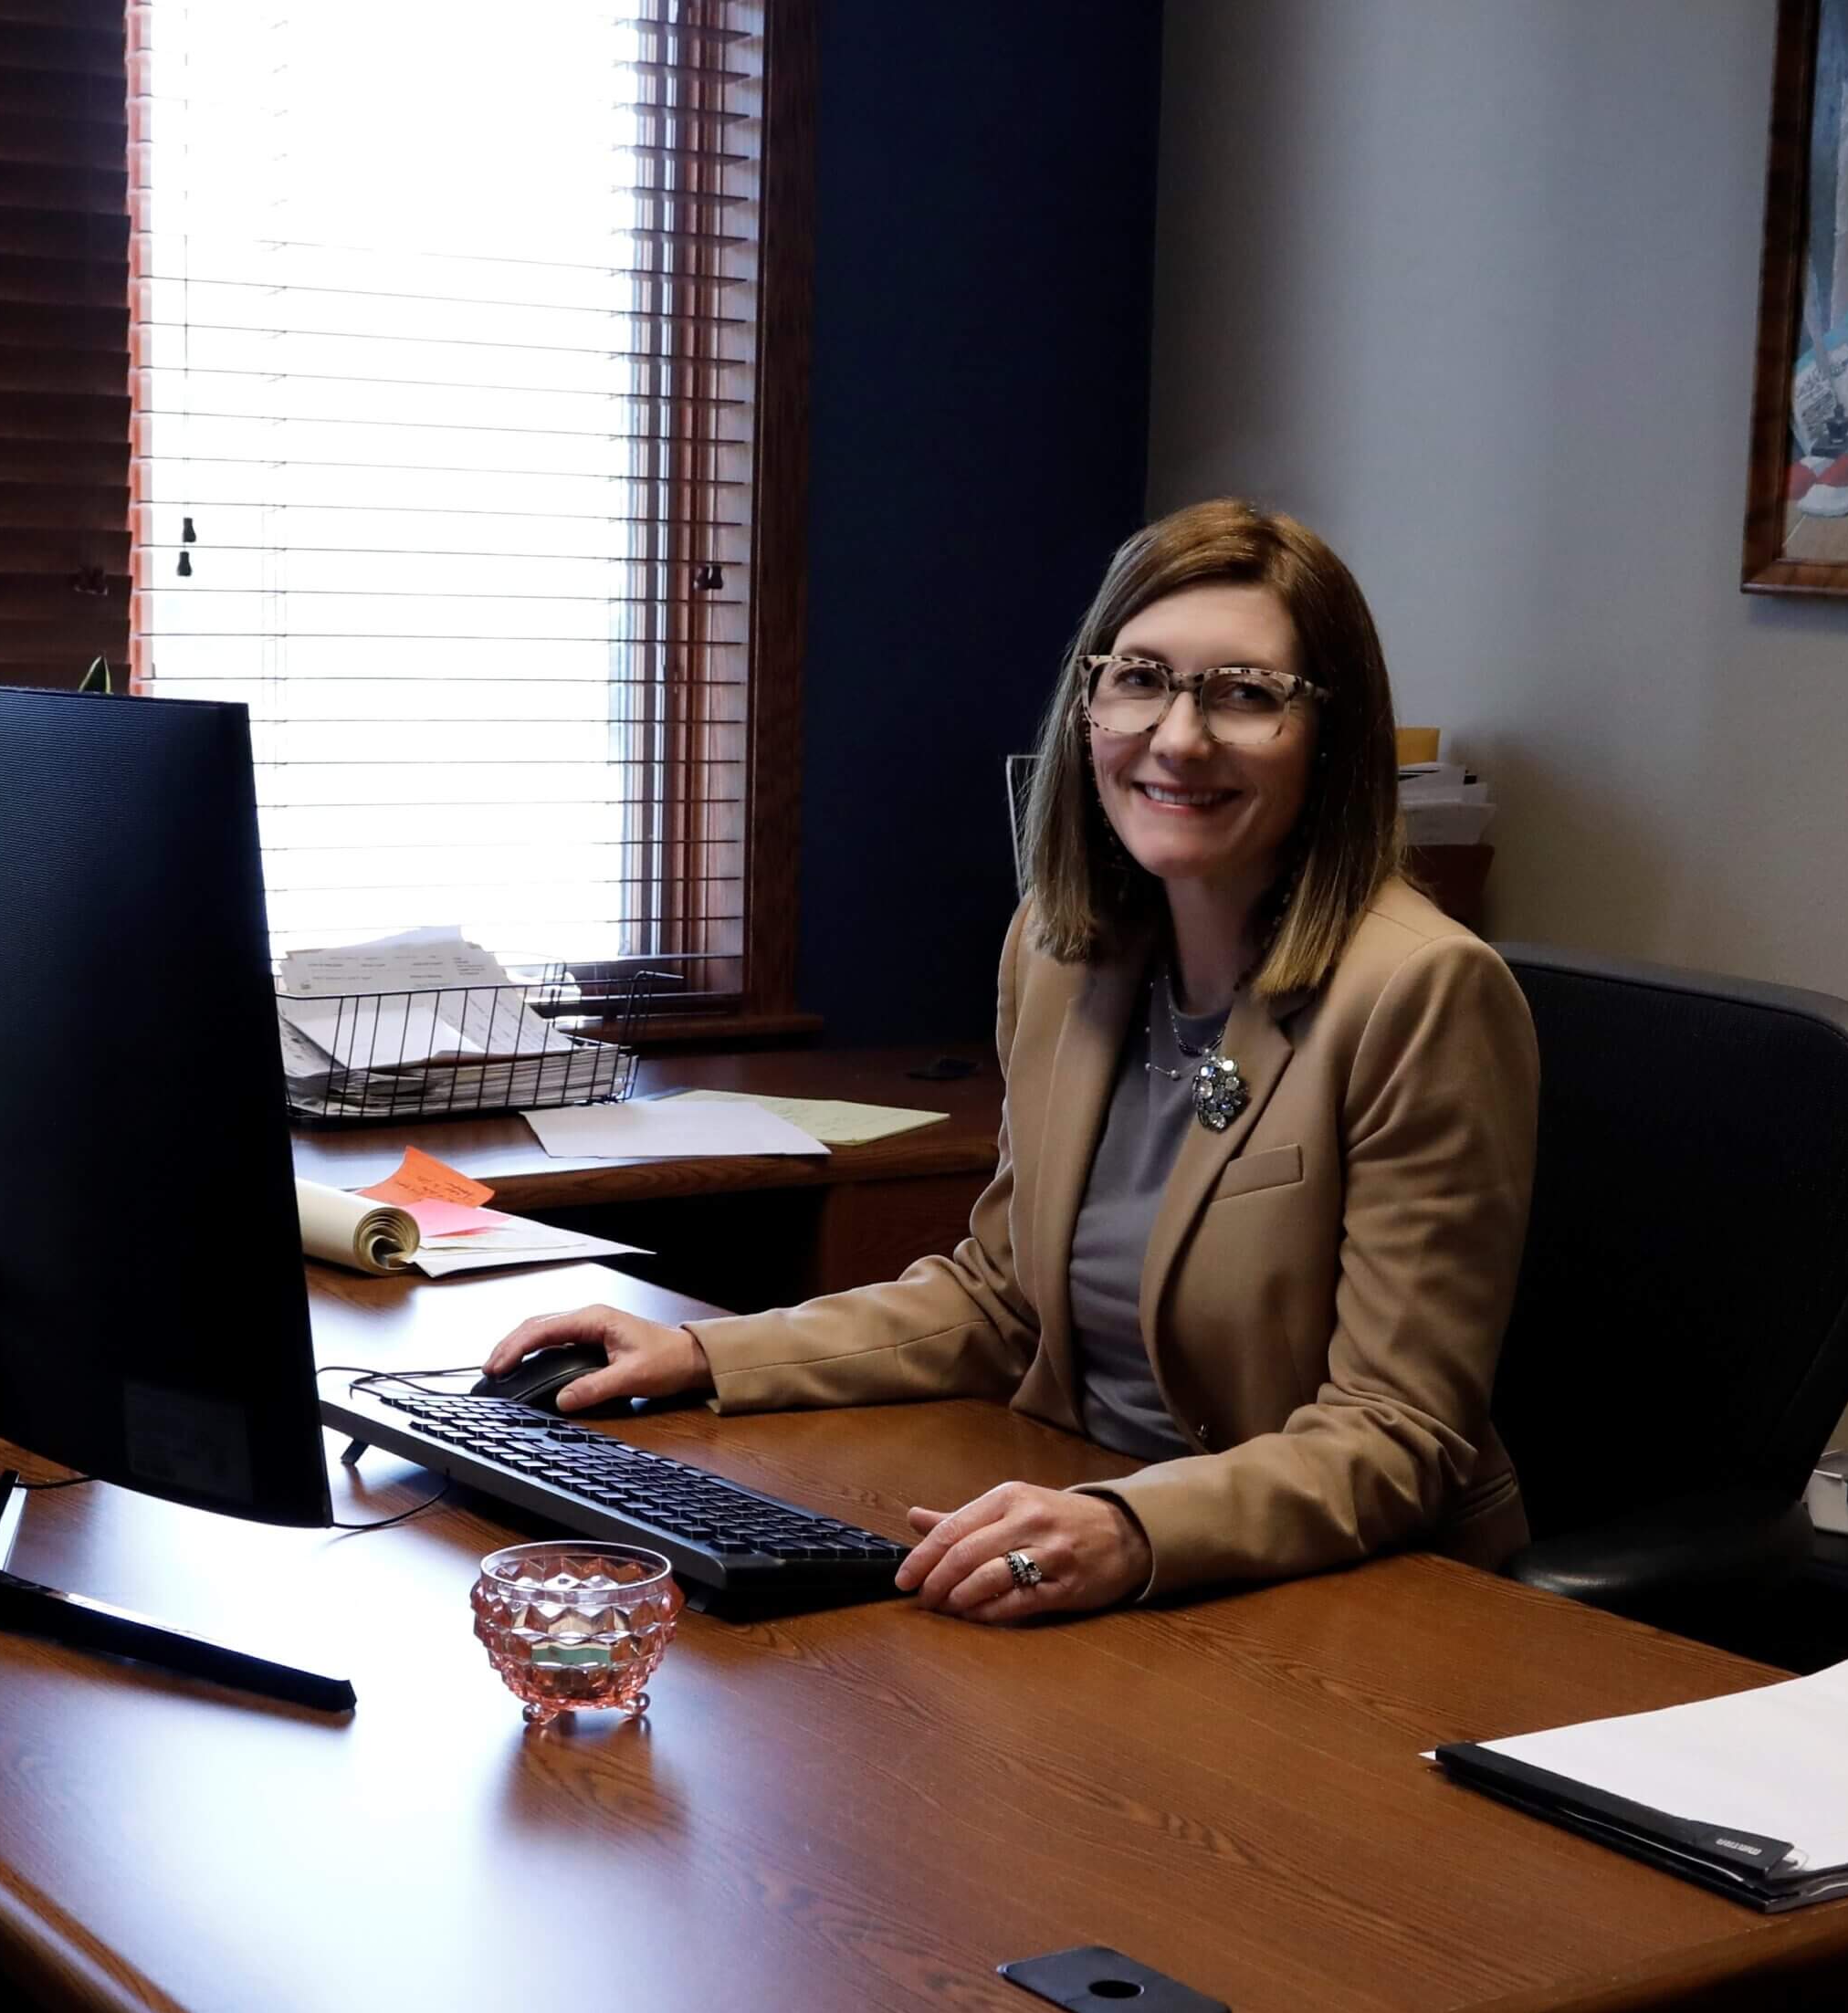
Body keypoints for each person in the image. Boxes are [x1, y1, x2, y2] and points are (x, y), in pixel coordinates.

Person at [484, 500, 1539, 1624]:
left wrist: (1133, 1527)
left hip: (1343, 1594)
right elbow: (1000, 1302)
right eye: (1141, 679)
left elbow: (1398, 1433)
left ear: (1329, 736)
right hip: (1082, 1528)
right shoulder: (1058, 948)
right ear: (1090, 707)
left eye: (1244, 694)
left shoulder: (1421, 992)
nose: (1179, 737)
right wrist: (700, 1353)